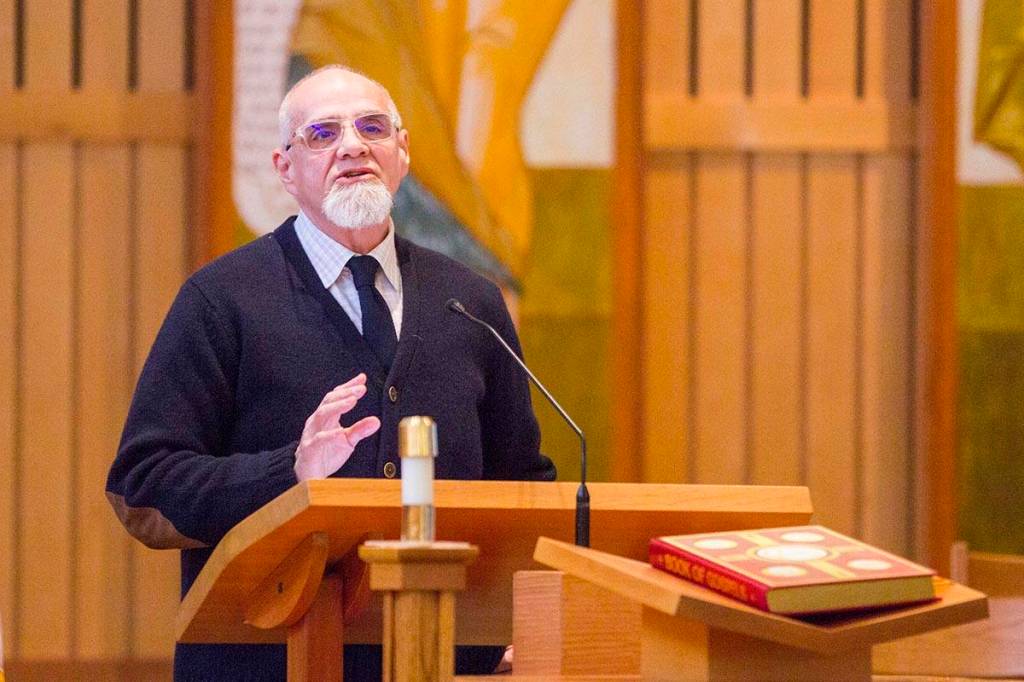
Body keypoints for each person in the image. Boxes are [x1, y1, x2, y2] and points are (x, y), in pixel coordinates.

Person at [106, 65, 555, 681]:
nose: (352, 145)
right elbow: (142, 487)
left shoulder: (471, 303)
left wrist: (516, 626)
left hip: (442, 660)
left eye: (372, 127)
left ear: (401, 154)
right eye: (322, 133)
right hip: (266, 660)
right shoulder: (221, 300)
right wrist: (288, 471)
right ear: (285, 169)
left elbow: (522, 488)